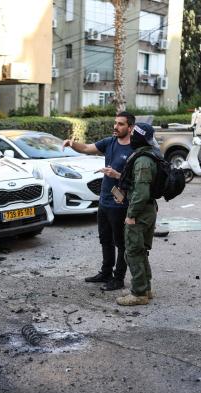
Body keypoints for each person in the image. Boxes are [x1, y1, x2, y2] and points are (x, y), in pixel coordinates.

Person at [62, 111, 136, 291]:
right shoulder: (110, 142)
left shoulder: (135, 149)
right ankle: (106, 273)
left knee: (121, 243)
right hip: (104, 200)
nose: (115, 127)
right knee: (105, 239)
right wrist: (72, 143)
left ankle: (118, 279)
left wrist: (116, 175)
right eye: (115, 123)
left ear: (130, 128)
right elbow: (87, 148)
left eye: (120, 124)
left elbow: (138, 180)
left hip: (121, 204)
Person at [116, 123, 158, 306]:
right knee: (141, 251)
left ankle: (139, 293)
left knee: (132, 252)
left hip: (140, 211)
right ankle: (146, 288)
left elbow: (141, 192)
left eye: (133, 134)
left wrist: (131, 214)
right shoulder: (151, 153)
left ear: (140, 137)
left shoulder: (142, 160)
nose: (130, 136)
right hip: (148, 209)